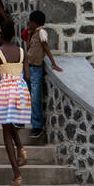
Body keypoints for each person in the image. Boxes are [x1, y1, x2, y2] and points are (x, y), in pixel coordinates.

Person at [0, 19, 31, 186]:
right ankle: (21, 148)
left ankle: (17, 175)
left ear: (0, 33)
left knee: (6, 132)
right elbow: (27, 75)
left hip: (5, 90)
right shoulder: (21, 51)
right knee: (10, 125)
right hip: (21, 89)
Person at [25, 10, 62, 138]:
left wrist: (53, 63)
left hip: (36, 68)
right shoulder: (34, 33)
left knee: (35, 97)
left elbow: (46, 47)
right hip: (29, 67)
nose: (29, 24)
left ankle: (37, 126)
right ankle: (26, 120)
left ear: (35, 22)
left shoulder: (41, 32)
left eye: (30, 22)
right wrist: (29, 35)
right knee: (26, 95)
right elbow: (29, 48)